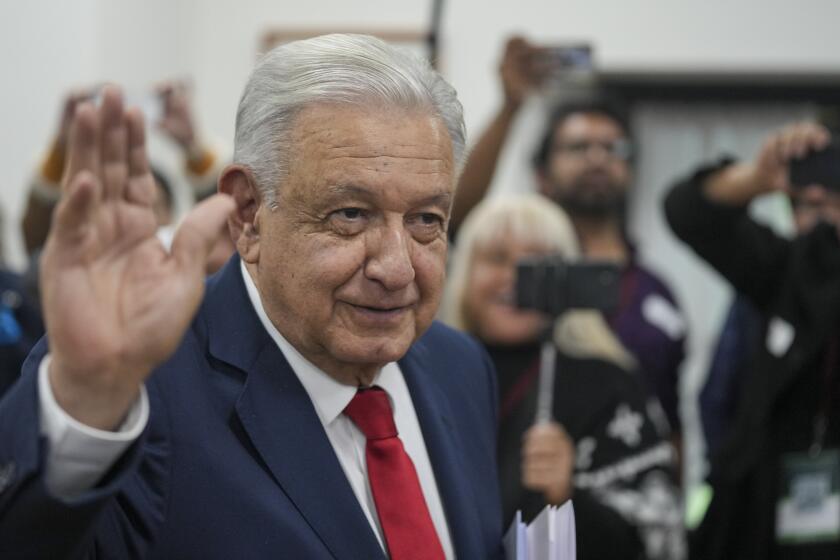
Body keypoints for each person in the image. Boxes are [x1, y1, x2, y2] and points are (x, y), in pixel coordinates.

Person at [0, 34, 503, 559]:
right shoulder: (133, 388)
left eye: (426, 219)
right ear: (248, 212)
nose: (396, 268)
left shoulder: (460, 368)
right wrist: (84, 399)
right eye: (351, 214)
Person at [451, 37, 687, 453]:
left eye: (613, 148)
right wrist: (511, 107)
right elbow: (450, 215)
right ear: (542, 173)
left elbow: (671, 426)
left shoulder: (656, 294)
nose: (598, 158)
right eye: (579, 147)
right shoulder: (498, 278)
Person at [442, 193, 685, 559]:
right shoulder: (428, 372)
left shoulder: (608, 383)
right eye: (497, 258)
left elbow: (657, 535)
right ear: (466, 272)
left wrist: (569, 494)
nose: (514, 278)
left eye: (536, 263)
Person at [665, 122, 840, 559]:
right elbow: (688, 212)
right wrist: (760, 178)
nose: (820, 213)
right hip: (759, 520)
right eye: (805, 204)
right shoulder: (792, 272)